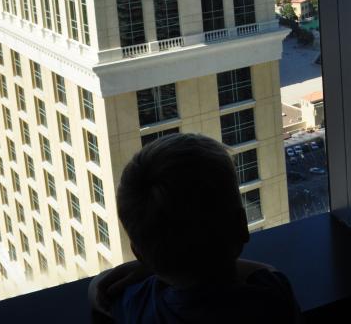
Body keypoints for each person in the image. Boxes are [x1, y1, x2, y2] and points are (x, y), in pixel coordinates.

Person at [89, 133, 301, 323]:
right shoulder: (270, 298)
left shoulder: (137, 305)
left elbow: (98, 289)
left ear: (139, 253)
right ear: (241, 226)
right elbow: (268, 271)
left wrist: (151, 266)